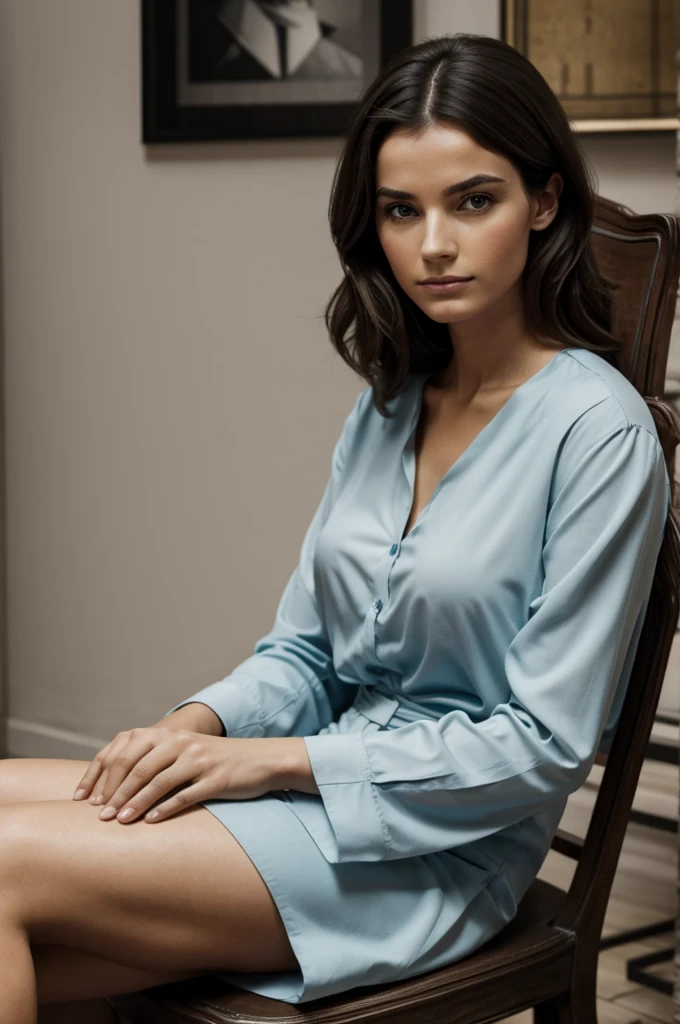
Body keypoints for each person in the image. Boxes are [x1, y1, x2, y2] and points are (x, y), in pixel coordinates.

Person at [0, 31, 676, 1024]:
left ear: (542, 201)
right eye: (400, 210)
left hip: (435, 856)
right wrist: (199, 726)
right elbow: (308, 651)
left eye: (472, 201)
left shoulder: (598, 434)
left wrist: (274, 761)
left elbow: (537, 748)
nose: (431, 245)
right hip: (308, 797)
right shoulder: (392, 400)